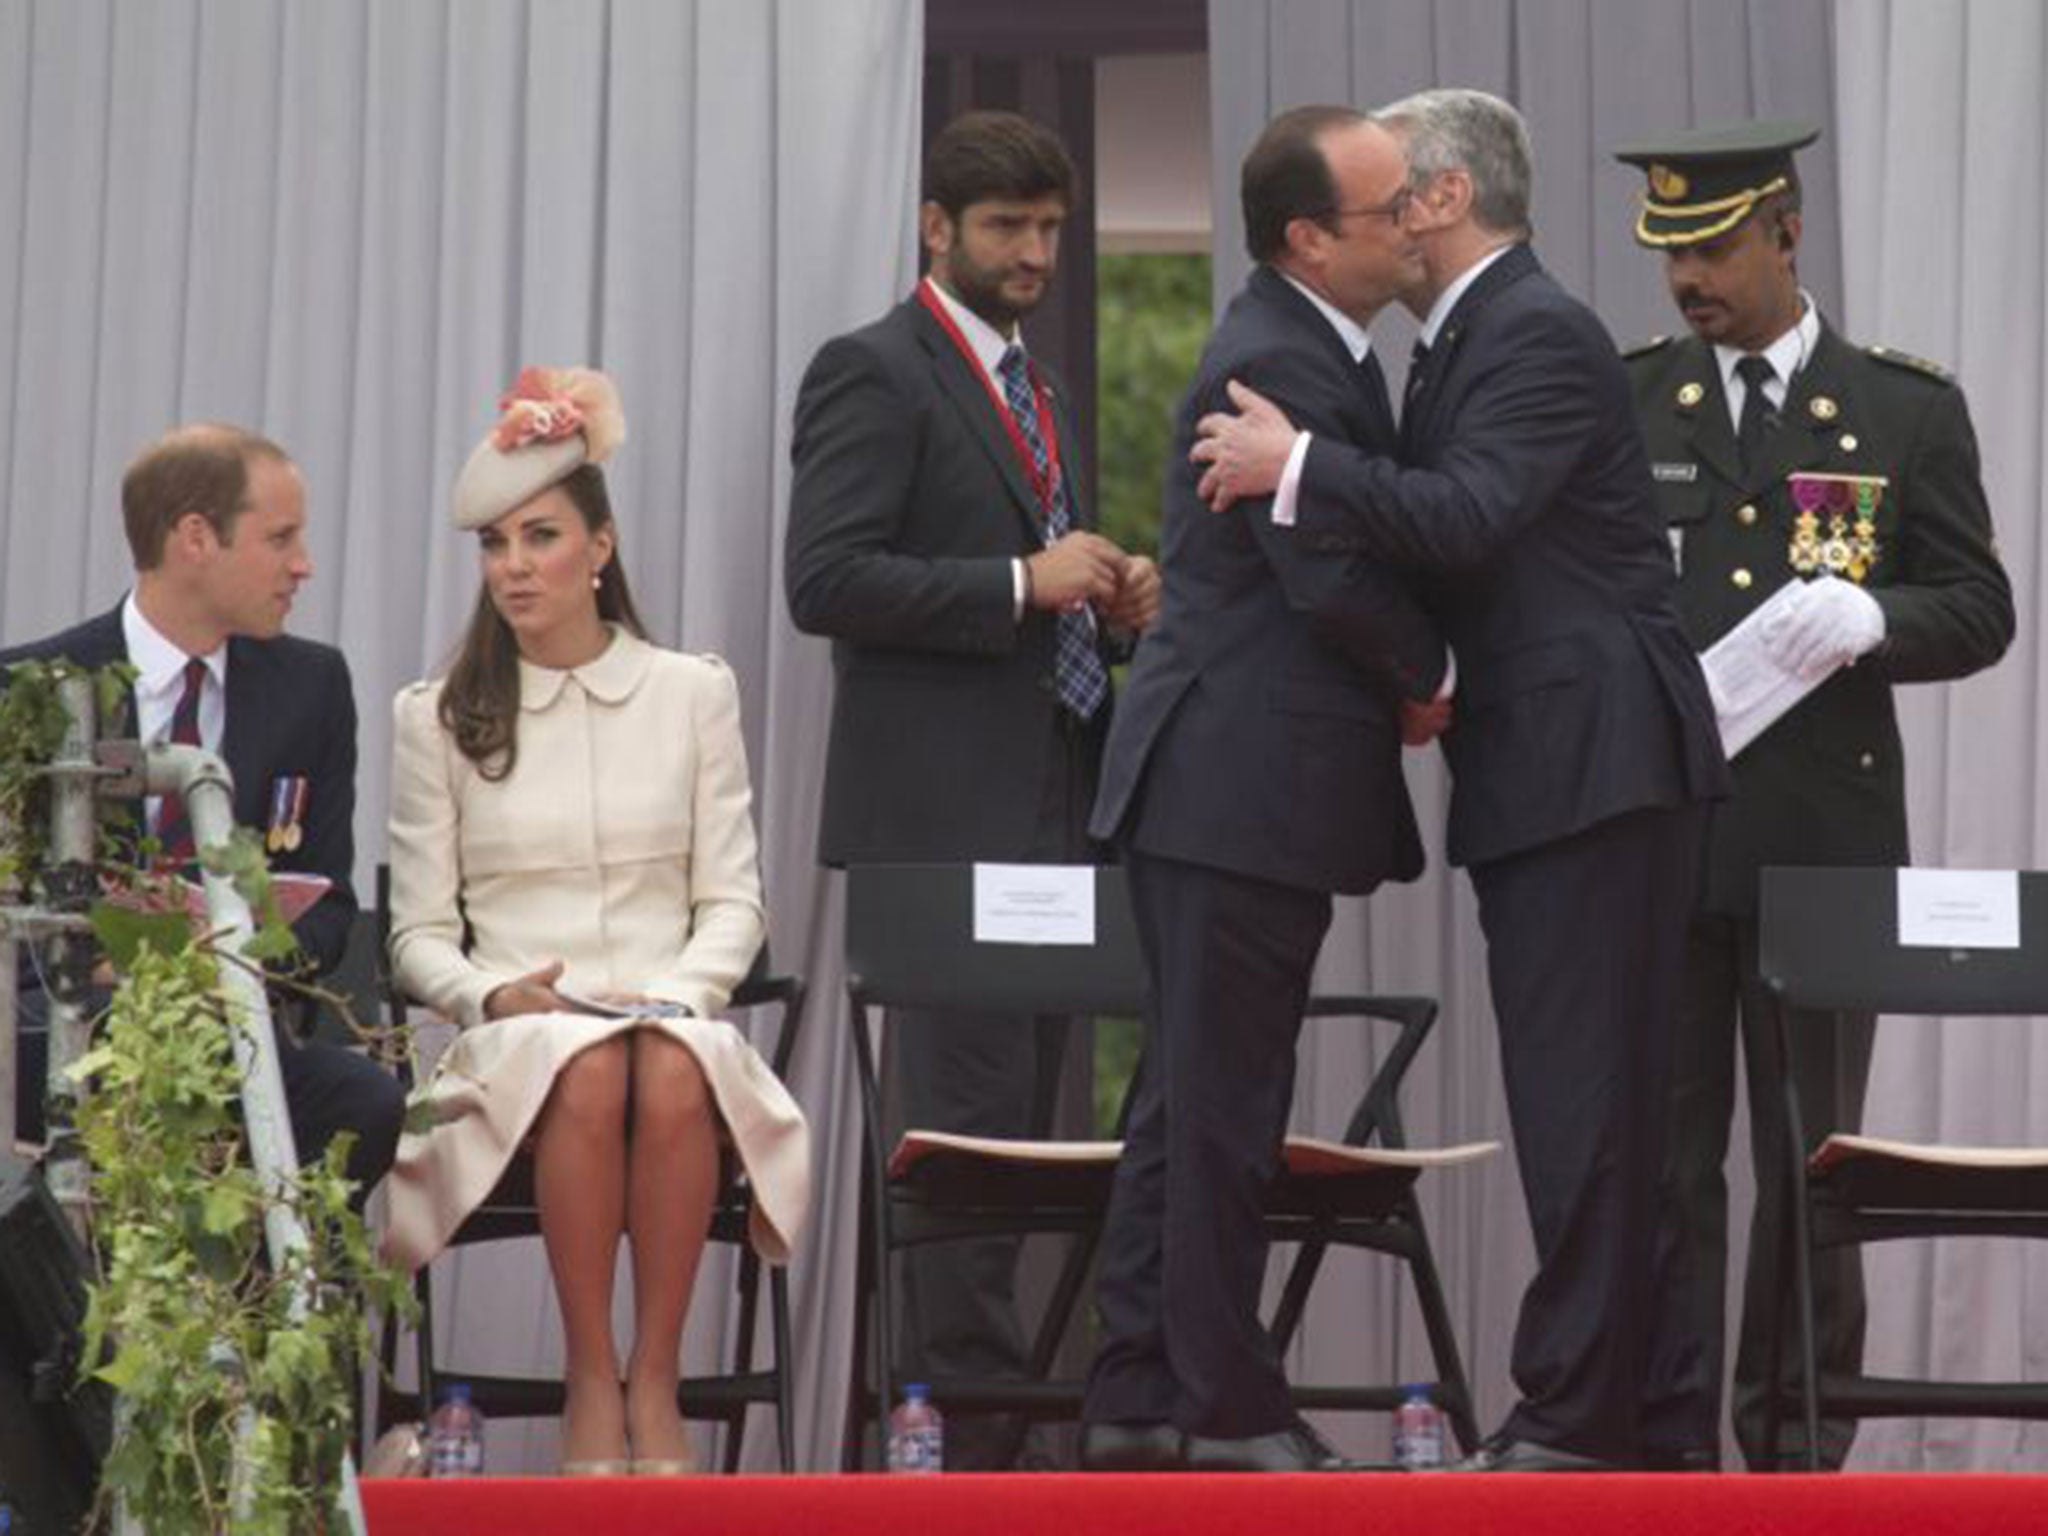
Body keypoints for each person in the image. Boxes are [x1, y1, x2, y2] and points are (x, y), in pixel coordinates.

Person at [1192, 88, 1729, 1472]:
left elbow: (1474, 514)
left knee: (1588, 1102)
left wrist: (1296, 461)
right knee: (1592, 1099)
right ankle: (1645, 1417)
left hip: (1592, 761)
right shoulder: (1465, 338)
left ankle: (1580, 1416)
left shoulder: (1531, 330)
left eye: (1393, 194)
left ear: (1438, 198)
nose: (1384, 220)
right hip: (1553, 763)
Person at [1611, 120, 2014, 1470]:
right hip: (1665, 839)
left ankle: (1792, 1453)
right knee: (1664, 1168)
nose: (1689, 280)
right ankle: (1666, 1448)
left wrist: (1872, 615)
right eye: (1671, 252)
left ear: (1787, 228)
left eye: (1716, 246)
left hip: (1824, 849)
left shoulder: (1900, 406)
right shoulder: (1628, 400)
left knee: (1806, 1166)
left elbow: (1980, 609)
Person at [785, 109, 1158, 1468]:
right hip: (943, 840)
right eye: (1007, 227)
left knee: (1032, 1152)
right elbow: (824, 581)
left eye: (1050, 228)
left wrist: (1113, 605)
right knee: (964, 1159)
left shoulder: (1038, 389)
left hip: (1060, 812)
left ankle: (1005, 1442)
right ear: (935, 227)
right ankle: (965, 1456)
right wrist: (1021, 584)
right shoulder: (873, 371)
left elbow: (1037, 586)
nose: (1035, 253)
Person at [1078, 105, 1446, 1476]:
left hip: (1219, 782)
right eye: (1389, 206)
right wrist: (1431, 671)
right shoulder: (1271, 357)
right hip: (1235, 782)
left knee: (1186, 1099)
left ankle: (1133, 1392)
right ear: (1309, 237)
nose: (1417, 221)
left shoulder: (1317, 347)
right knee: (1227, 1106)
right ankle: (1226, 1407)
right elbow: (1327, 568)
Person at [381, 367, 811, 1477]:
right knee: (590, 1072)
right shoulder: (434, 718)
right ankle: (589, 1376)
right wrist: (492, 993)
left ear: (600, 548)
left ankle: (652, 1380)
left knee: (660, 1069)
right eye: (494, 546)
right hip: (522, 1027)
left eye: (538, 538)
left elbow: (733, 900)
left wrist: (684, 993)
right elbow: (416, 933)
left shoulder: (688, 691)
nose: (513, 567)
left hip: (671, 1007)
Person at [0, 423, 403, 1197]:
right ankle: (105, 1309)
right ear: (195, 537)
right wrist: (107, 969)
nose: (303, 565)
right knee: (131, 1071)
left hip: (235, 1025)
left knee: (366, 1100)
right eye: (280, 537)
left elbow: (328, 909)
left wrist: (229, 966)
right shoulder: (35, 687)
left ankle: (252, 1303)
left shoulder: (312, 687)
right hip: (68, 1029)